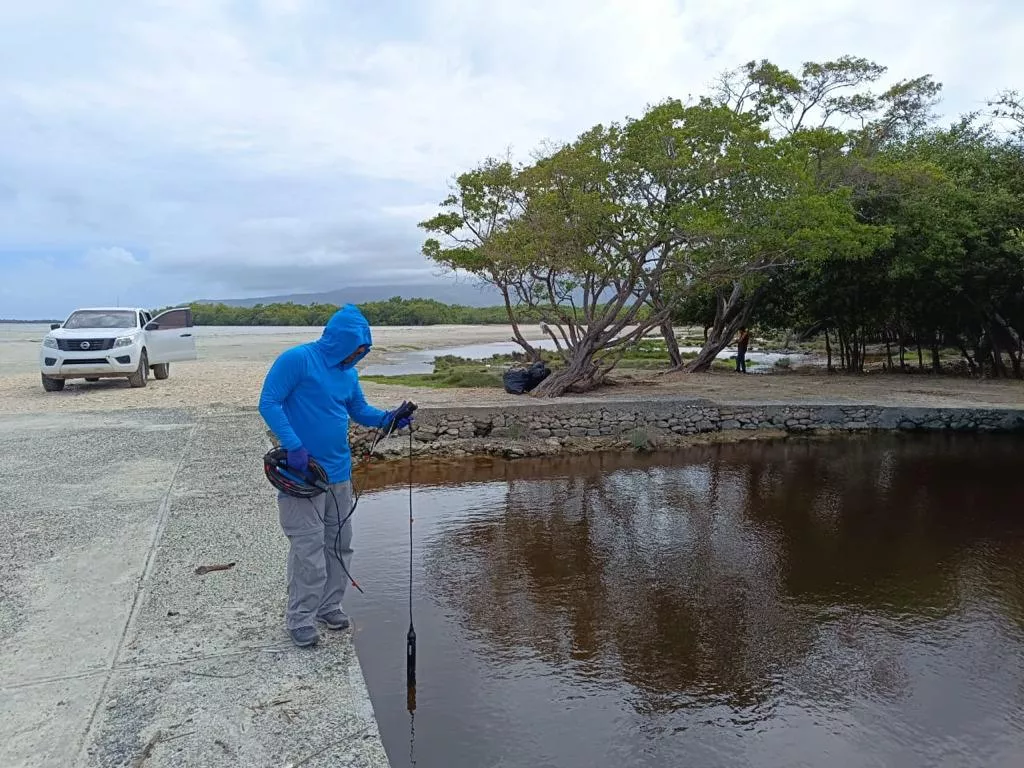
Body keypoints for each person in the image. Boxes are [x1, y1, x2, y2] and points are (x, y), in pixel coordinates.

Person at [258, 304, 415, 647]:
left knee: (339, 545)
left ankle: (329, 606)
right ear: (340, 341)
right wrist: (294, 445)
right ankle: (300, 618)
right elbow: (268, 401)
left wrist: (388, 418)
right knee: (308, 550)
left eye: (363, 352)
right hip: (300, 476)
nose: (358, 357)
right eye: (356, 350)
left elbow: (358, 409)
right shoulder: (297, 360)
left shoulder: (349, 374)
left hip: (339, 475)